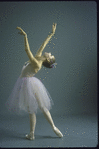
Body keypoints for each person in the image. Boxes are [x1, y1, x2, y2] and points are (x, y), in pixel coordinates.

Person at [6, 23, 63, 140]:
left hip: (28, 83)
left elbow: (27, 50)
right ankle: (48, 129)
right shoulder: (39, 56)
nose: (49, 52)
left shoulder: (37, 63)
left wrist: (25, 36)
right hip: (30, 83)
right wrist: (51, 33)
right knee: (39, 107)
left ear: (47, 59)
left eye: (50, 55)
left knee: (33, 109)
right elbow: (44, 43)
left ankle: (35, 133)